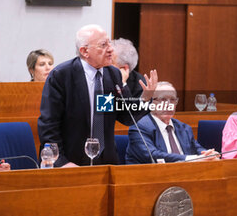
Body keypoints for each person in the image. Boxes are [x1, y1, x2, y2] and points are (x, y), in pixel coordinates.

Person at [38, 24, 158, 167]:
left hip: (106, 162)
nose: (111, 49)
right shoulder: (62, 76)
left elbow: (126, 115)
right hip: (71, 161)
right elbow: (49, 125)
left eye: (109, 43)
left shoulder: (112, 74)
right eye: (103, 45)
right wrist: (61, 162)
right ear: (84, 51)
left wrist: (145, 99)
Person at [126, 81, 219, 164]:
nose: (168, 104)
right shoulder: (139, 127)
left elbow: (196, 149)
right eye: (162, 99)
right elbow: (152, 156)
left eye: (173, 100)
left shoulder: (183, 128)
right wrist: (191, 158)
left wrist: (208, 155)